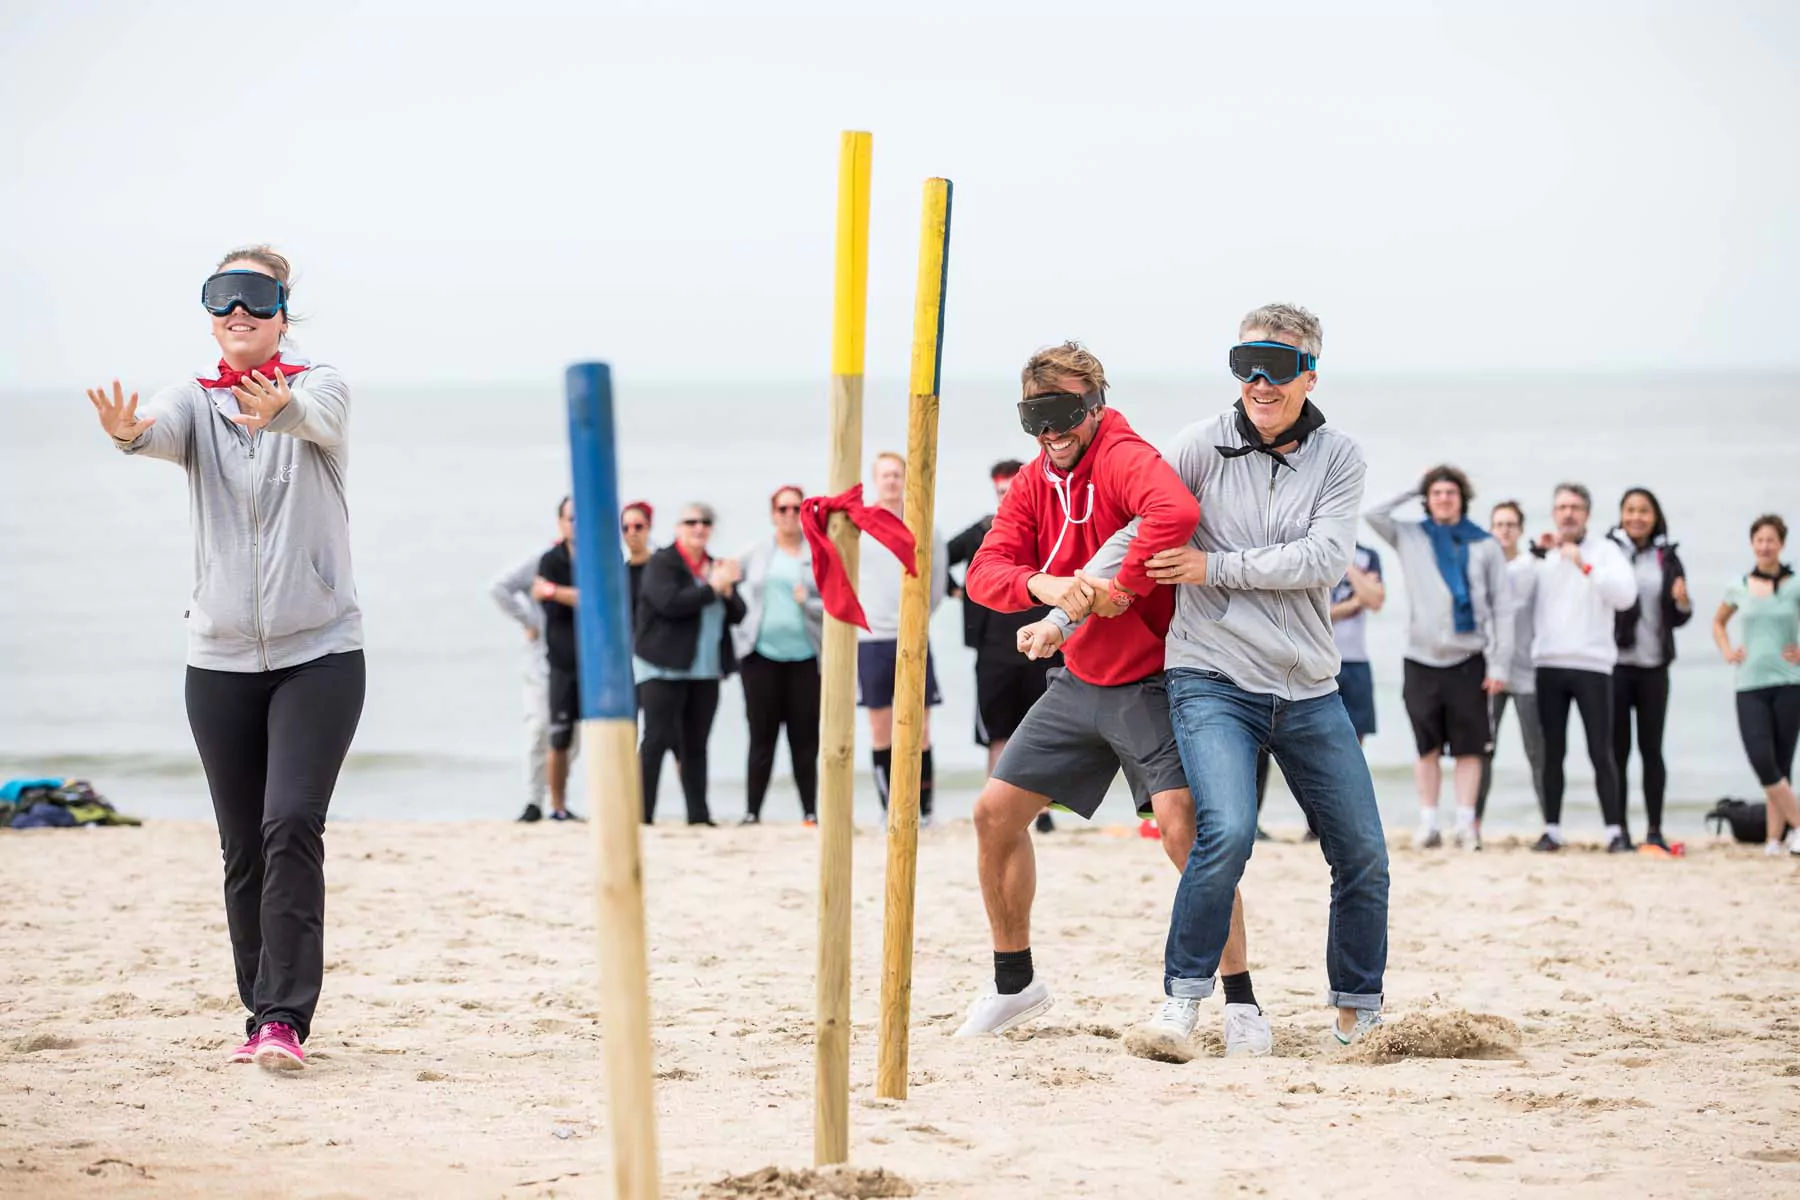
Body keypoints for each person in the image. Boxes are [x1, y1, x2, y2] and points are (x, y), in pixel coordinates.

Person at [1075, 304, 1390, 1057]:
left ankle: (1357, 1007)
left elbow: (1322, 558)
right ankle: (1181, 1003)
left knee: (1364, 853)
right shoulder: (1198, 446)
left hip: (1310, 686)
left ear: (1309, 373)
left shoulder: (1340, 457)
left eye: (1277, 365)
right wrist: (1078, 591)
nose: (1258, 380)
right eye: (1245, 362)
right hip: (1211, 677)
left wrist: (1214, 567)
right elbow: (1141, 525)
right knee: (1227, 832)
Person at [87, 245, 363, 1071]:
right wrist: (132, 434)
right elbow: (160, 430)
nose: (237, 310)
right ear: (210, 312)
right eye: (221, 297)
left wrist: (278, 407)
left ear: (282, 311)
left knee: (290, 825)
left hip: (320, 654)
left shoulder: (321, 384)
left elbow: (320, 420)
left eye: (255, 296)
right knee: (243, 845)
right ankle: (259, 1018)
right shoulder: (192, 402)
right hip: (217, 663)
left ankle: (285, 1017)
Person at [960, 341, 1270, 1058]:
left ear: (1095, 405)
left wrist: (1120, 584)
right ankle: (1015, 983)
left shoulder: (1125, 456)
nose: (1051, 431)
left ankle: (1241, 1000)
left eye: (1065, 413)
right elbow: (986, 571)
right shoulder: (1037, 480)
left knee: (1184, 828)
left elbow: (1176, 511)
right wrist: (1043, 587)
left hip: (1156, 681)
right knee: (993, 815)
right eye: (1036, 417)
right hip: (1078, 683)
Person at [1365, 466, 1511, 850]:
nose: (1444, 498)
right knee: (1425, 746)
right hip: (1420, 660)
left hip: (1469, 660)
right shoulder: (1411, 536)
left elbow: (1502, 609)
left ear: (1462, 498)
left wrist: (1499, 665)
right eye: (1436, 493)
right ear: (1427, 500)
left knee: (1470, 748)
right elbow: (1373, 514)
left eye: (1450, 492)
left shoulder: (1486, 544)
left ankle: (1466, 823)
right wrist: (1414, 487)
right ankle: (1428, 822)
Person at [1513, 483, 1637, 852]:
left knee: (1602, 750)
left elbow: (1625, 596)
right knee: (1552, 751)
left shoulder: (1605, 551)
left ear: (1587, 513)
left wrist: (1582, 562)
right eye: (1562, 507)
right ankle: (1552, 829)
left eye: (1575, 507)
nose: (1568, 513)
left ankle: (1615, 831)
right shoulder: (1541, 555)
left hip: (1593, 665)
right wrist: (1536, 552)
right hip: (1549, 663)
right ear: (1554, 513)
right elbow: (1510, 591)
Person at [946, 459, 1059, 833]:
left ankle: (1043, 812)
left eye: (1012, 490)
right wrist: (954, 591)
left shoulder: (1050, 527)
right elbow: (937, 556)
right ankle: (994, 807)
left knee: (1040, 730)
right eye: (1001, 491)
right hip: (993, 650)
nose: (1007, 497)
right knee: (998, 732)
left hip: (1042, 645)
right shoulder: (983, 530)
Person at [635, 502, 745, 825]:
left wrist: (725, 589)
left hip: (705, 669)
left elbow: (739, 613)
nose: (699, 528)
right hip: (662, 666)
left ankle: (698, 815)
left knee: (695, 744)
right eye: (691, 522)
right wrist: (713, 588)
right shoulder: (662, 563)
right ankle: (642, 815)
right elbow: (670, 603)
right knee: (656, 739)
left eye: (705, 522)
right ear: (678, 527)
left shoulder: (716, 565)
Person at [855, 452, 949, 823]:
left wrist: (920, 619)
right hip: (873, 639)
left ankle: (923, 811)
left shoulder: (923, 523)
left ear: (906, 478)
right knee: (881, 728)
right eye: (885, 475)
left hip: (913, 637)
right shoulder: (859, 525)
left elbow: (937, 583)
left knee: (920, 728)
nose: (892, 481)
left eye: (897, 475)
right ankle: (887, 809)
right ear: (876, 481)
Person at [733, 486, 824, 825]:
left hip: (805, 658)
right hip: (760, 657)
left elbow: (834, 601)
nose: (789, 514)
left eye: (795, 508)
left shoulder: (817, 552)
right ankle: (752, 811)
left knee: (804, 738)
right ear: (773, 514)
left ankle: (810, 812)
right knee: (761, 735)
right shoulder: (757, 551)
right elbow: (726, 576)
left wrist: (808, 602)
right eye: (782, 508)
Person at [1607, 488, 1692, 850]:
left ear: (1655, 516)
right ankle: (1619, 829)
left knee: (1651, 750)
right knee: (1617, 751)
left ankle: (1654, 829)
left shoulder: (1666, 556)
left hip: (1654, 665)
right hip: (1615, 665)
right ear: (1621, 515)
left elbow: (1679, 615)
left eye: (1644, 511)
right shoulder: (1608, 552)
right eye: (1630, 510)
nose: (1637, 517)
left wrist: (1684, 603)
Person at [1712, 514, 1800, 855]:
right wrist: (1727, 650)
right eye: (1759, 540)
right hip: (1749, 683)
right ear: (1752, 544)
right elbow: (1718, 622)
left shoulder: (1794, 584)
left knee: (1781, 762)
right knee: (1762, 759)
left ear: (1781, 544)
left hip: (1790, 682)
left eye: (1771, 540)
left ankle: (1774, 841)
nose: (1765, 546)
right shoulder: (1739, 586)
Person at [1476, 501, 1548, 832]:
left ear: (1520, 529)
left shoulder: (1532, 567)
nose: (1504, 529)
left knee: (1537, 751)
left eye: (1510, 524)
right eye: (1499, 524)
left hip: (1527, 672)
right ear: (1491, 529)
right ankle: (1473, 823)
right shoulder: (1480, 567)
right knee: (1483, 750)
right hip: (1488, 672)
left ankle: (1550, 823)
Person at [491, 520, 561, 823]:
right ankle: (534, 800)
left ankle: (560, 802)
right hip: (541, 660)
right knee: (539, 728)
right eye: (571, 519)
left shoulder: (598, 558)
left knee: (568, 738)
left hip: (579, 661)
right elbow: (499, 588)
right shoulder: (544, 559)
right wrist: (528, 620)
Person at [532, 498, 586, 822]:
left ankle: (604, 801)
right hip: (562, 662)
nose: (575, 524)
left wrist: (555, 592)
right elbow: (547, 606)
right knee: (559, 736)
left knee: (600, 735)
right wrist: (557, 596)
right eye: (570, 518)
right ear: (560, 522)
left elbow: (599, 599)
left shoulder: (599, 556)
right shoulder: (551, 559)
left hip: (596, 662)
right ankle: (558, 806)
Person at [622, 500, 655, 624]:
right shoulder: (620, 573)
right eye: (625, 528)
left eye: (638, 527)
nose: (632, 533)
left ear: (648, 527)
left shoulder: (661, 568)